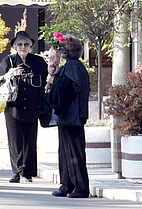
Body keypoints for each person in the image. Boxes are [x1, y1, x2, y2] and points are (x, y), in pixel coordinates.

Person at [0, 30, 48, 183]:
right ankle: (16, 172)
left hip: (33, 107)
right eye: (19, 44)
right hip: (13, 108)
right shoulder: (8, 61)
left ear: (30, 46)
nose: (23, 47)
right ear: (15, 46)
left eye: (26, 44)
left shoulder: (37, 62)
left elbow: (46, 82)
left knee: (30, 140)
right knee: (15, 140)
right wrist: (8, 75)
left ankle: (28, 172)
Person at [47, 34, 90, 199]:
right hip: (70, 116)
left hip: (72, 115)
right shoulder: (73, 65)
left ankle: (80, 187)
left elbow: (69, 88)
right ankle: (67, 184)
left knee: (74, 152)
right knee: (66, 151)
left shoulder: (72, 66)